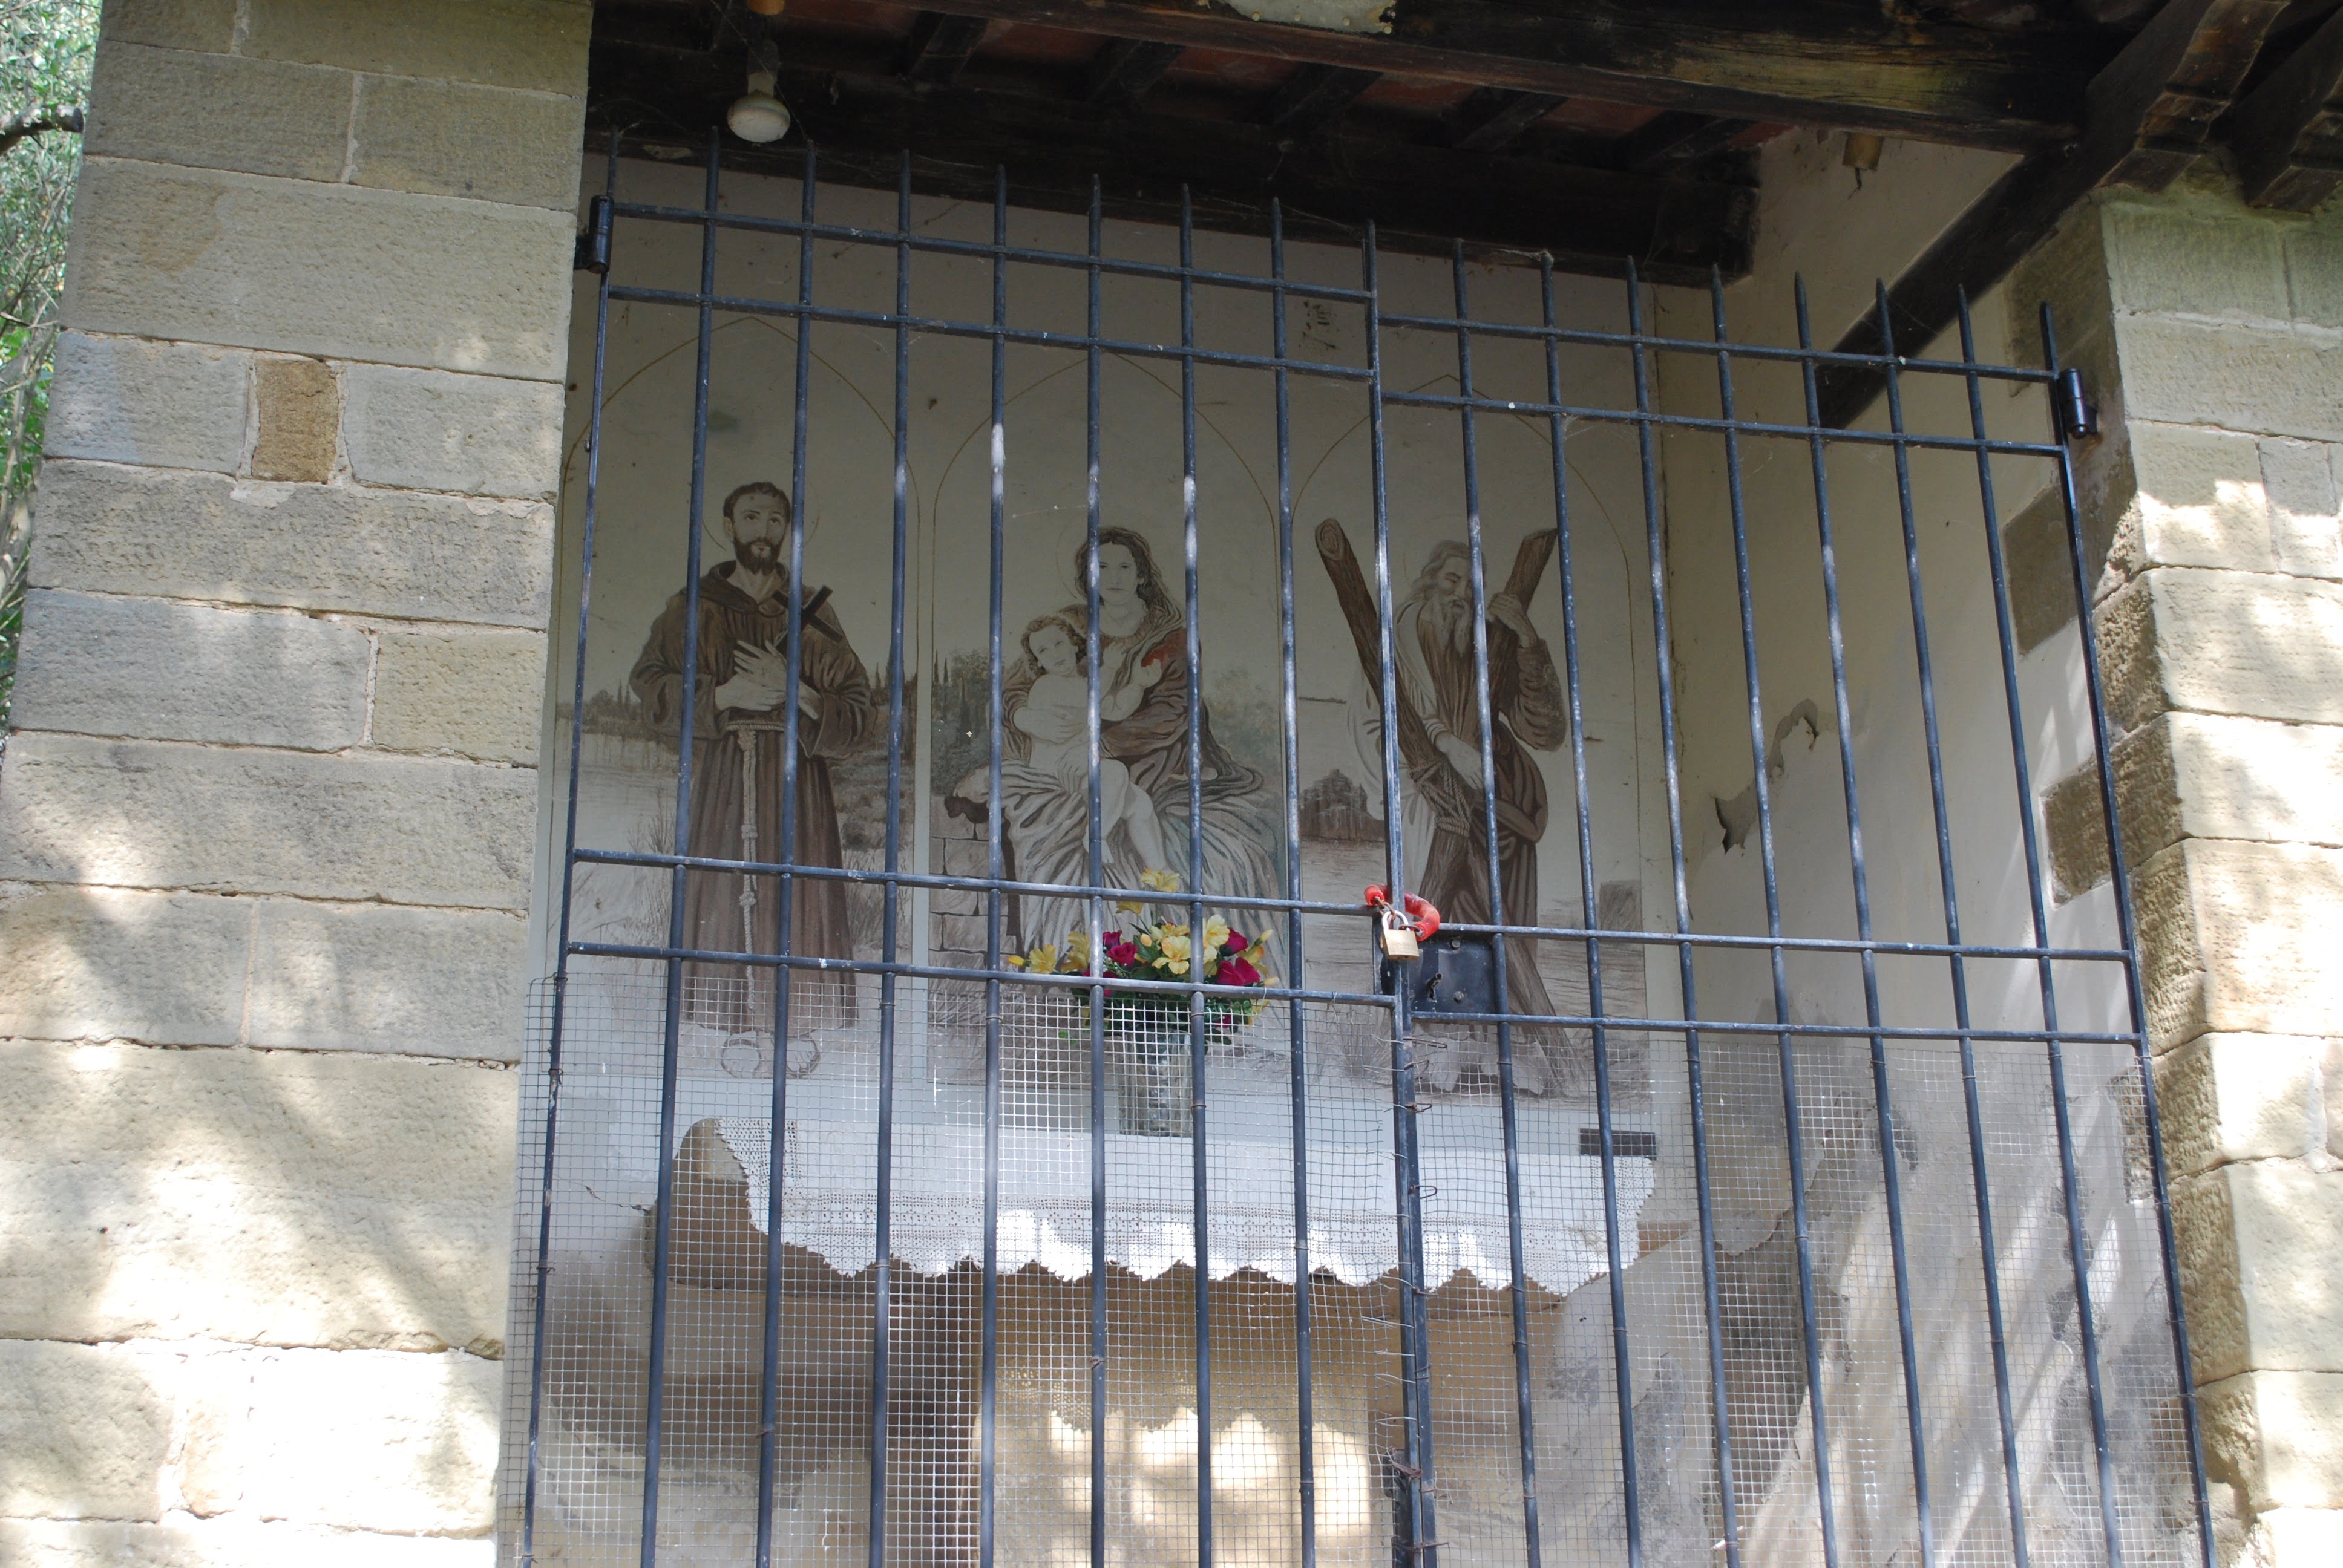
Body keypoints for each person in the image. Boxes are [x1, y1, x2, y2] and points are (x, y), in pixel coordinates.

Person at [967, 527, 1280, 961]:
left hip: (1149, 756)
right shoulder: (1068, 627)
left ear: (1141, 575)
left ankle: (1160, 894)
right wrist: (1026, 716)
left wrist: (1098, 741)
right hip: (1072, 756)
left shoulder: (1172, 637)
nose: (1112, 577)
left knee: (1140, 802)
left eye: (1124, 567)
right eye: (1101, 567)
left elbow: (1173, 712)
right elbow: (1018, 686)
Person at [631, 481, 876, 1034]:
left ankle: (798, 1024)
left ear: (788, 530)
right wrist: (722, 695)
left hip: (797, 782)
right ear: (728, 526)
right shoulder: (694, 608)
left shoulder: (812, 612)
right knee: (722, 889)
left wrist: (796, 689)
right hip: (723, 776)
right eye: (751, 517)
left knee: (797, 891)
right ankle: (720, 1023)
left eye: (774, 520)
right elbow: (649, 687)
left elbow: (860, 710)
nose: (763, 531)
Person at [1354, 538, 1579, 1093]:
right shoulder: (1403, 637)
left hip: (1498, 807)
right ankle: (1434, 1050)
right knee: (1431, 917)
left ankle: (1505, 1050)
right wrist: (1436, 756)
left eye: (1471, 587)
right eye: (1450, 580)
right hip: (1430, 801)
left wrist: (1528, 642)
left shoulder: (1488, 647)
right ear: (1428, 582)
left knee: (1500, 927)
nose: (1460, 595)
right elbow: (1376, 721)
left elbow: (1545, 730)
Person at [1011, 613, 1172, 874]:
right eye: (1043, 650)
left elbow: (1117, 709)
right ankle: (1095, 837)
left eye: (1059, 643)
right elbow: (1091, 696)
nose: (1054, 653)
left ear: (1074, 644)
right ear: (1037, 661)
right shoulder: (1046, 686)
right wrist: (1110, 668)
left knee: (1140, 804)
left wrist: (1139, 685)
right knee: (1115, 771)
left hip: (1082, 773)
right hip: (1054, 773)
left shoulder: (1084, 686)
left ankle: (1161, 874)